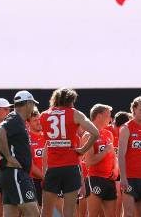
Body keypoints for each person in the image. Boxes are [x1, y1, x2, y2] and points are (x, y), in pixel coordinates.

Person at [40, 88, 99, 217]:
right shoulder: (75, 113)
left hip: (52, 168)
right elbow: (95, 132)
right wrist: (83, 149)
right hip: (71, 167)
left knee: (46, 211)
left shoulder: (44, 114)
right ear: (71, 101)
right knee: (69, 211)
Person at [0, 91, 40, 217]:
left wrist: (4, 154)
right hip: (15, 174)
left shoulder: (17, 119)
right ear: (28, 103)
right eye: (32, 104)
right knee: (34, 214)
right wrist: (8, 156)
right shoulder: (15, 118)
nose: (33, 107)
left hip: (11, 174)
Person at [119, 96, 141, 217]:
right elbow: (121, 155)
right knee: (128, 214)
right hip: (130, 177)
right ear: (134, 109)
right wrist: (123, 177)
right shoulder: (126, 128)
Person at [85, 104, 117, 217]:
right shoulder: (88, 135)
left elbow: (113, 155)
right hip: (95, 178)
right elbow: (89, 161)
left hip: (109, 179)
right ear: (99, 116)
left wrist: (116, 168)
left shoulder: (108, 134)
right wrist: (106, 151)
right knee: (93, 214)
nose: (110, 119)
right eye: (108, 116)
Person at [113, 110, 133, 217]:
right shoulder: (109, 132)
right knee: (118, 196)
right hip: (112, 172)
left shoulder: (128, 132)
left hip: (125, 170)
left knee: (126, 198)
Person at [27, 107, 45, 208]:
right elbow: (30, 164)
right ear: (28, 123)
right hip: (33, 181)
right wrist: (44, 177)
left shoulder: (47, 135)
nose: (39, 122)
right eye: (35, 120)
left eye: (39, 119)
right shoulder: (26, 138)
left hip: (49, 179)